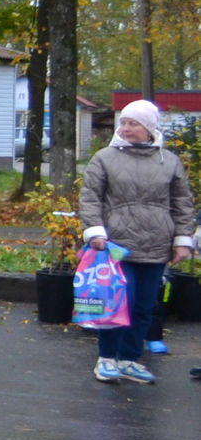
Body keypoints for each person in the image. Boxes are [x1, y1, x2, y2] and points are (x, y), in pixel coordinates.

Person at [81, 98, 195, 384]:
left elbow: (183, 202)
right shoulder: (105, 158)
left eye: (133, 123)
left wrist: (183, 240)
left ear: (149, 128)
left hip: (156, 245)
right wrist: (95, 231)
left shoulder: (168, 161)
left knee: (144, 306)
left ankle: (129, 359)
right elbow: (91, 197)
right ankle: (106, 358)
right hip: (116, 246)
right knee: (118, 303)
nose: (126, 128)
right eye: (124, 122)